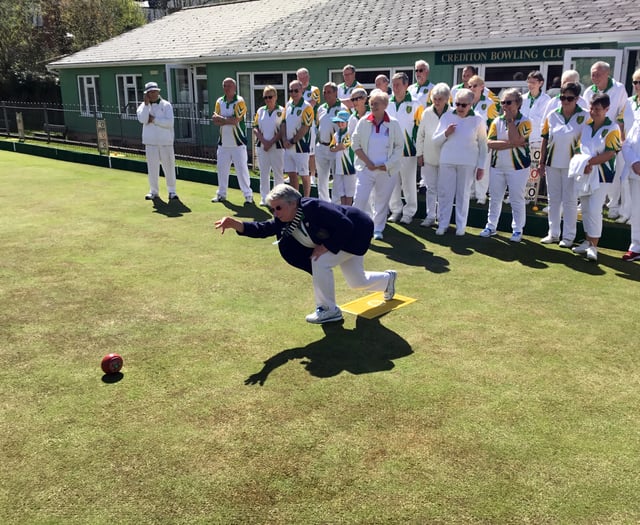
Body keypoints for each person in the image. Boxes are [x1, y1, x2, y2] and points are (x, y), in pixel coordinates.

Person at [214, 184, 397, 324]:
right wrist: (235, 224)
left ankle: (328, 310)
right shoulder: (285, 218)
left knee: (319, 260)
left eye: (278, 208)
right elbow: (264, 228)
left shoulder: (314, 208)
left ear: (293, 203)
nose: (275, 213)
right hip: (344, 236)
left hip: (356, 233)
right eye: (272, 209)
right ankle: (387, 280)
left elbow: (345, 224)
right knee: (358, 282)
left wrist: (326, 246)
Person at [571, 93, 621, 262]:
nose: (593, 112)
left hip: (602, 174)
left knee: (594, 209)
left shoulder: (613, 128)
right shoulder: (586, 126)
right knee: (585, 208)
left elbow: (610, 153)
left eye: (597, 109)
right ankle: (587, 241)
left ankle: (594, 246)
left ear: (607, 109)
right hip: (585, 172)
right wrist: (582, 164)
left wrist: (588, 162)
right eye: (591, 108)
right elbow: (579, 149)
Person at [432, 88, 487, 236]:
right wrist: (446, 133)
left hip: (468, 162)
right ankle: (442, 224)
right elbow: (435, 141)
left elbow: (483, 145)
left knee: (463, 194)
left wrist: (481, 166)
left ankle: (460, 226)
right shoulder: (446, 116)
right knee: (445, 193)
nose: (460, 108)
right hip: (447, 160)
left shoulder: (478, 119)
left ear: (471, 104)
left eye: (464, 105)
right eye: (457, 104)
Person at [352, 89, 404, 241]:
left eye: (377, 104)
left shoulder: (393, 123)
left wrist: (387, 165)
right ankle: (355, 227)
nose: (373, 106)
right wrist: (368, 162)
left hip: (386, 171)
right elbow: (355, 144)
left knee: (381, 201)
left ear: (385, 105)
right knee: (360, 198)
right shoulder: (363, 121)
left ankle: (378, 229)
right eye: (371, 103)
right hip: (365, 169)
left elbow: (399, 147)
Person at [480, 88, 532, 242]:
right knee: (495, 198)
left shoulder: (525, 121)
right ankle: (491, 226)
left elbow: (517, 139)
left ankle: (517, 230)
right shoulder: (497, 121)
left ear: (518, 104)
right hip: (497, 166)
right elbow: (490, 143)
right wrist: (512, 143)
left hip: (518, 167)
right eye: (503, 102)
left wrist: (510, 122)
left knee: (517, 199)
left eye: (508, 102)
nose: (505, 106)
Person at [538, 82, 587, 247]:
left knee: (570, 200)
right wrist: (541, 162)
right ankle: (553, 233)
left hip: (573, 165)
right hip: (552, 163)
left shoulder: (585, 116)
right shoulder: (552, 114)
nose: (565, 101)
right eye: (563, 97)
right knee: (553, 200)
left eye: (569, 98)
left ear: (577, 99)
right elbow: (545, 138)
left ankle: (568, 236)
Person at [583, 61, 630, 222]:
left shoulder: (619, 88)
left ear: (607, 74)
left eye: (598, 74)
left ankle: (613, 206)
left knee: (614, 171)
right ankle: (590, 200)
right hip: (593, 133)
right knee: (591, 167)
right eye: (592, 74)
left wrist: (621, 136)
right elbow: (587, 114)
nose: (594, 77)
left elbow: (623, 113)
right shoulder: (589, 91)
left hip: (612, 134)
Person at [387, 72, 423, 224]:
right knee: (393, 183)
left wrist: (420, 151)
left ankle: (409, 212)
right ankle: (395, 210)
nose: (394, 88)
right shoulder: (387, 103)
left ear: (406, 85)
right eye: (393, 85)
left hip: (409, 151)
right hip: (391, 151)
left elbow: (420, 130)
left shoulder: (416, 104)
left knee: (408, 183)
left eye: (398, 84)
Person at [211, 78, 254, 204]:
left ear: (234, 87)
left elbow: (236, 120)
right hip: (223, 143)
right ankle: (221, 194)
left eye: (229, 86)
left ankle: (248, 196)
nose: (227, 88)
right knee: (222, 170)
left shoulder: (239, 101)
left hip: (238, 143)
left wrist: (222, 119)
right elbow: (215, 120)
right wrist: (226, 119)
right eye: (225, 86)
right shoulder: (220, 101)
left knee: (242, 170)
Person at [136, 81, 179, 201]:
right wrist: (145, 105)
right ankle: (154, 191)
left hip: (166, 141)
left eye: (154, 91)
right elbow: (143, 119)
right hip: (150, 142)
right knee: (152, 168)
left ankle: (172, 191)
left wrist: (154, 120)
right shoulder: (143, 106)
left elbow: (169, 123)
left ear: (158, 92)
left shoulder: (166, 105)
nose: (153, 94)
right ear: (147, 94)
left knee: (169, 166)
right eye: (150, 92)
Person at [415, 82, 450, 228]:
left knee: (443, 190)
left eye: (440, 99)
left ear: (447, 99)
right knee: (430, 188)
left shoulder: (453, 113)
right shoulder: (426, 112)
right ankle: (430, 216)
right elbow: (420, 135)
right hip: (429, 157)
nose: (436, 102)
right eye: (434, 98)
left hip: (447, 158)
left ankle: (443, 218)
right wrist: (419, 154)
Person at [467, 75, 498, 204]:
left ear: (482, 87)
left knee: (482, 166)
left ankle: (481, 195)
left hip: (484, 140)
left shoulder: (489, 103)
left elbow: (494, 124)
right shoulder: (466, 102)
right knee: (470, 167)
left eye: (475, 86)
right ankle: (471, 192)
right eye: (470, 86)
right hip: (469, 142)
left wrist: (491, 141)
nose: (472, 88)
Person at [282, 79, 315, 197]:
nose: (293, 93)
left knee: (304, 174)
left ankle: (306, 199)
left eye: (296, 90)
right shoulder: (288, 105)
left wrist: (292, 141)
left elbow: (305, 127)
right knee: (291, 174)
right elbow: (284, 123)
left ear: (301, 91)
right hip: (288, 146)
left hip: (301, 147)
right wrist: (285, 139)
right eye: (291, 91)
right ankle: (294, 199)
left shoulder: (307, 107)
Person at [253, 85, 284, 206]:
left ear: (275, 97)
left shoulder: (281, 111)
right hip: (262, 147)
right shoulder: (260, 111)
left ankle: (279, 199)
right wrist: (264, 142)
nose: (268, 99)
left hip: (277, 147)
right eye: (265, 97)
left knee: (278, 173)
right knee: (264, 173)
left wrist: (270, 142)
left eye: (270, 97)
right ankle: (264, 198)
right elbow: (255, 128)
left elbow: (282, 130)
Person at [315, 82, 346, 202]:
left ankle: (335, 204)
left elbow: (344, 129)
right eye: (324, 92)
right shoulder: (321, 108)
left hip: (335, 149)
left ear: (335, 93)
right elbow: (319, 126)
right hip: (321, 146)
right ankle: (323, 202)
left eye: (329, 92)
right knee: (322, 179)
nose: (326, 94)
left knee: (337, 179)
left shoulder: (342, 109)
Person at [297, 68, 321, 189]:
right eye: (300, 77)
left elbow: (311, 105)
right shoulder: (296, 91)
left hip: (310, 125)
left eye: (304, 77)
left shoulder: (314, 90)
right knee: (297, 150)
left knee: (311, 152)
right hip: (297, 125)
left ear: (308, 77)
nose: (302, 80)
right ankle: (298, 173)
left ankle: (312, 176)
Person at [621, 116, 640, 261]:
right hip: (636, 174)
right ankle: (636, 247)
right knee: (637, 212)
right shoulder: (637, 121)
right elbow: (627, 144)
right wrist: (634, 162)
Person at [329, 110, 356, 205]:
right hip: (339, 166)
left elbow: (343, 146)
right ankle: (343, 208)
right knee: (341, 190)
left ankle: (348, 209)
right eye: (338, 122)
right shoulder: (336, 134)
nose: (340, 124)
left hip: (349, 166)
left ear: (347, 122)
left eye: (342, 122)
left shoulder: (350, 133)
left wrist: (336, 147)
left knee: (349, 191)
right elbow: (331, 147)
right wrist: (336, 147)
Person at [520, 71, 551, 146]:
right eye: (529, 82)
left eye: (533, 83)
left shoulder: (547, 100)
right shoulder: (522, 98)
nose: (530, 85)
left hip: (537, 140)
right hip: (521, 139)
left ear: (541, 83)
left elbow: (545, 121)